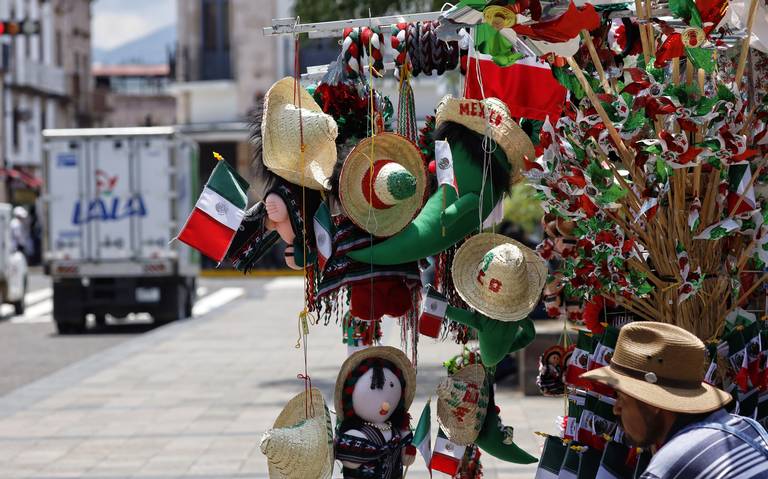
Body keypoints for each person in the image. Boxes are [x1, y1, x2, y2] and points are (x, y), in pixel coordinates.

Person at [582, 321, 768, 479]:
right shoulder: (749, 428)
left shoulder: (669, 466)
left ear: (651, 401)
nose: (616, 408)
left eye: (621, 397)